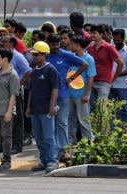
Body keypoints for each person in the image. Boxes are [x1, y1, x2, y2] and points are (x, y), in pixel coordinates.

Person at [46, 33, 87, 162]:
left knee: (62, 123)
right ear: (48, 44)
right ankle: (52, 151)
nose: (56, 47)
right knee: (50, 124)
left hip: (63, 95)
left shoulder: (65, 54)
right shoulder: (45, 55)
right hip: (47, 96)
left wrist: (72, 77)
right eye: (53, 44)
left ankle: (63, 150)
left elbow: (84, 64)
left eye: (57, 44)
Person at [25, 41, 59, 174]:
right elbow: (31, 91)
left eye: (37, 54)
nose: (34, 57)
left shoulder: (51, 70)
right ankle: (43, 160)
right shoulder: (34, 71)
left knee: (48, 137)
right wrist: (28, 107)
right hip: (35, 109)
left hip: (46, 109)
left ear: (44, 54)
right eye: (33, 54)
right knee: (38, 138)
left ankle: (52, 161)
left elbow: (55, 89)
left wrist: (52, 106)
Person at [2, 36, 32, 154]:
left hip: (16, 92)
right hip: (4, 92)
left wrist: (19, 84)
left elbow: (28, 71)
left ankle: (17, 145)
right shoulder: (4, 56)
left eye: (5, 42)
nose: (2, 44)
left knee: (17, 119)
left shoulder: (18, 56)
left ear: (12, 44)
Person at [86, 24, 123, 112]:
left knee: (101, 108)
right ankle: (95, 126)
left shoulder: (109, 47)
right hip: (92, 81)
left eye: (94, 33)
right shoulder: (90, 47)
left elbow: (120, 63)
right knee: (92, 108)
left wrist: (114, 78)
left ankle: (103, 126)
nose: (92, 35)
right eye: (91, 33)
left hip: (104, 82)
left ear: (101, 34)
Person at [68, 36, 96, 143]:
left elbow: (90, 77)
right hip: (70, 93)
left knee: (83, 119)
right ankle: (71, 140)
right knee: (70, 119)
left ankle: (88, 140)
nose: (70, 46)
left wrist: (86, 94)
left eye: (72, 44)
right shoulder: (72, 57)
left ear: (78, 45)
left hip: (81, 94)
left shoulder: (88, 59)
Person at [109, 29, 127, 122]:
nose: (116, 42)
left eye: (118, 40)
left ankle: (124, 130)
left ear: (123, 38)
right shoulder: (110, 48)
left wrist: (117, 74)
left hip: (122, 85)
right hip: (110, 85)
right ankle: (112, 131)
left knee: (124, 109)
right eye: (114, 40)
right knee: (110, 109)